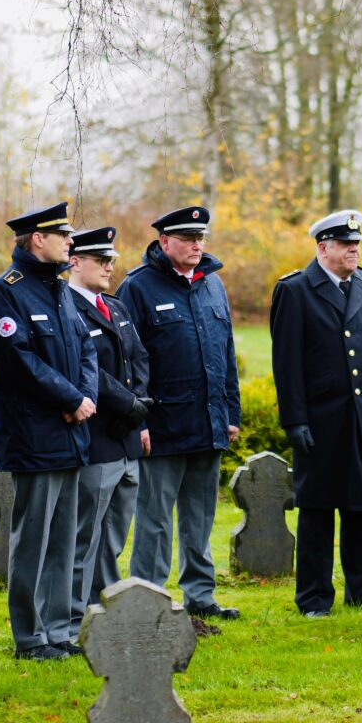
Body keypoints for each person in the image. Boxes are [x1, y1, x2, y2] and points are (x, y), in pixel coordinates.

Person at [270, 210, 362, 617]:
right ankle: (314, 597)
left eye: (357, 243)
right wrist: (294, 420)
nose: (354, 249)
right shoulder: (296, 290)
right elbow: (287, 363)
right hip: (322, 418)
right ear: (322, 248)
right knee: (318, 508)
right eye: (346, 244)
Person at [0, 202, 99, 661]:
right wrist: (70, 400)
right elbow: (18, 362)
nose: (71, 242)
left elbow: (87, 350)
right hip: (34, 436)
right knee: (33, 540)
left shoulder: (62, 291)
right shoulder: (5, 293)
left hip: (72, 434)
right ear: (37, 239)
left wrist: (83, 399)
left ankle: (57, 631)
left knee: (65, 538)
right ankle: (29, 637)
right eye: (63, 235)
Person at [117, 206, 241, 620]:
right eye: (187, 238)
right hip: (163, 426)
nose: (196, 245)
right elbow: (127, 361)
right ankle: (148, 598)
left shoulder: (212, 283)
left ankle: (200, 596)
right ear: (164, 242)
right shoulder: (138, 287)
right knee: (154, 521)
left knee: (200, 516)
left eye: (200, 238)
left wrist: (231, 413)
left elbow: (226, 353)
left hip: (208, 422)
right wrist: (141, 421)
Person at [66, 226, 151, 637]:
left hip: (127, 435)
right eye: (101, 260)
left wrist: (140, 416)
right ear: (75, 261)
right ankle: (76, 613)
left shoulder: (114, 307)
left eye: (112, 260)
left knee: (115, 531)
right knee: (86, 533)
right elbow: (88, 373)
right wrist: (126, 406)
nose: (110, 267)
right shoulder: (67, 306)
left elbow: (139, 361)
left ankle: (104, 603)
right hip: (96, 435)